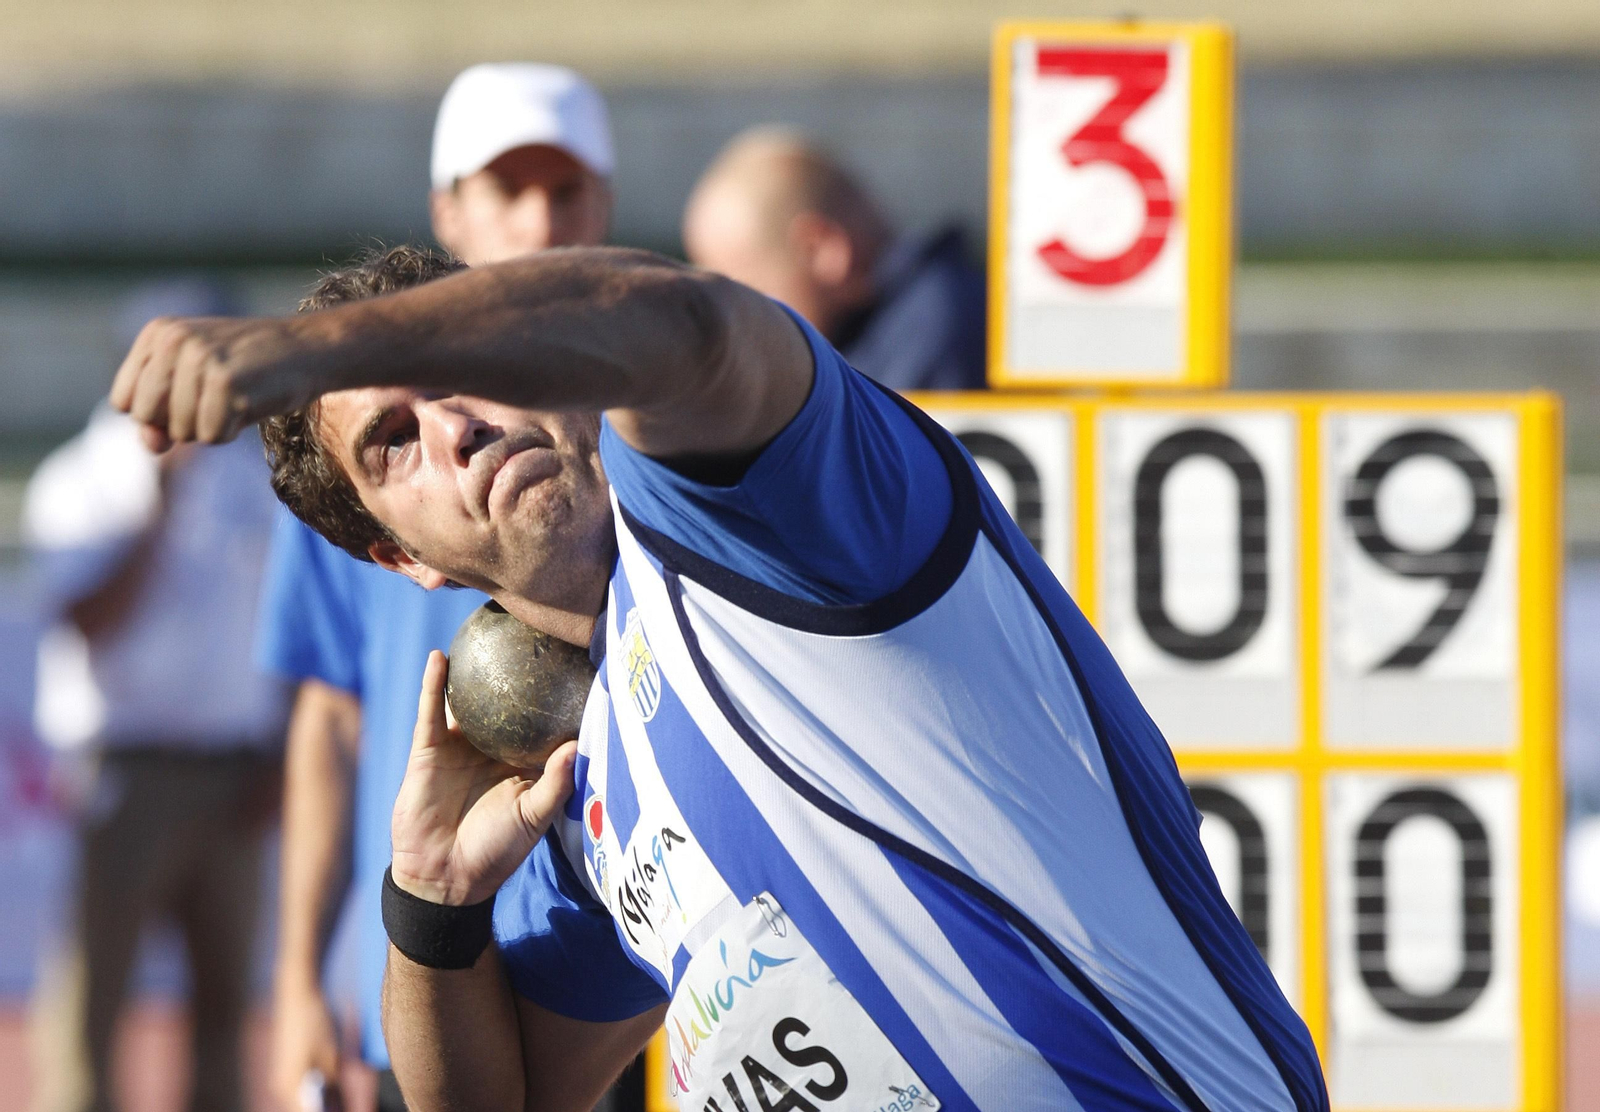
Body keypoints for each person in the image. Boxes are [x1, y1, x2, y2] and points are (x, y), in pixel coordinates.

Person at [113, 245, 1330, 1112]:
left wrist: (309, 349)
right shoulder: (573, 789)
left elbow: (688, 326)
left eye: (461, 362)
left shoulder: (749, 504)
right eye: (393, 440)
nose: (456, 426)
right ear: (401, 557)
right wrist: (431, 899)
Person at [261, 63, 615, 1112]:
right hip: (517, 929)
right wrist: (318, 966)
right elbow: (326, 723)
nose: (540, 221)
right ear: (448, 210)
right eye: (507, 189)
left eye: (566, 188)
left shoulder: (705, 456)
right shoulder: (352, 489)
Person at [26, 280, 290, 1112]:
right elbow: (88, 623)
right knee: (90, 1002)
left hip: (233, 773)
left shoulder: (251, 476)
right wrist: (157, 506)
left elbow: (279, 627)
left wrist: (279, 756)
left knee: (224, 1010)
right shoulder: (83, 476)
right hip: (124, 774)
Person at [682, 126, 986, 392]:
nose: (735, 325)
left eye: (747, 293)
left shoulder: (930, 338)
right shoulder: (896, 323)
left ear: (821, 251)